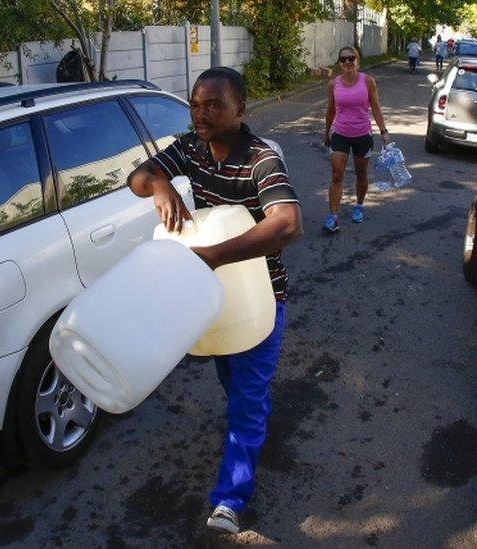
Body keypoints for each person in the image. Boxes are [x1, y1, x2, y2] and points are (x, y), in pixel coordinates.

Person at [127, 67, 302, 535]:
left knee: (245, 395)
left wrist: (215, 255)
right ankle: (252, 422)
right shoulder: (190, 147)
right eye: (195, 103)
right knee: (230, 374)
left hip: (262, 296)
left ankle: (229, 499)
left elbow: (287, 223)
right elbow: (137, 177)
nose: (200, 114)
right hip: (211, 294)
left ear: (240, 109)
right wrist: (161, 184)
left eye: (213, 105)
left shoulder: (262, 159)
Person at [321, 46, 391, 233]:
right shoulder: (333, 84)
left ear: (357, 60)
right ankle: (333, 217)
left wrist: (384, 131)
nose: (347, 62)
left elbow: (375, 107)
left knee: (361, 173)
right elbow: (331, 110)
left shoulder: (368, 82)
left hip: (362, 134)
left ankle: (359, 206)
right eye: (343, 59)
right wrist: (327, 132)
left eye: (351, 58)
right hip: (340, 133)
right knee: (336, 175)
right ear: (339, 62)